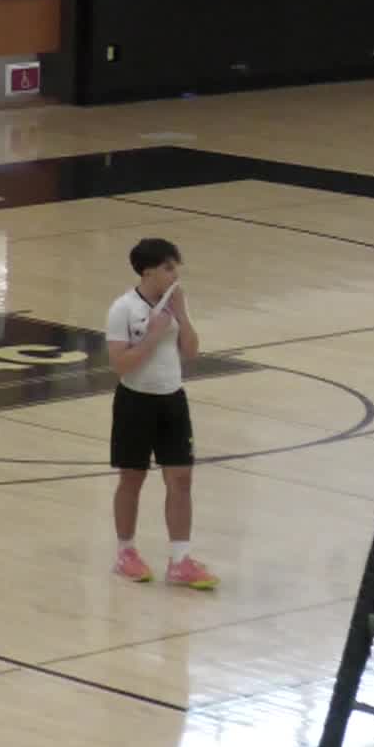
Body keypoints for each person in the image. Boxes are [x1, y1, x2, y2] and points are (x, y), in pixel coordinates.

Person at [105, 238, 218, 589]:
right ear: (149, 271)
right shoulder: (122, 309)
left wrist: (181, 316)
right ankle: (126, 552)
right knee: (132, 478)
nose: (175, 274)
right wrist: (152, 336)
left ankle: (180, 561)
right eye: (169, 267)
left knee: (181, 479)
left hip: (172, 400)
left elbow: (192, 352)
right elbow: (120, 365)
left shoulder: (174, 305)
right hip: (135, 403)